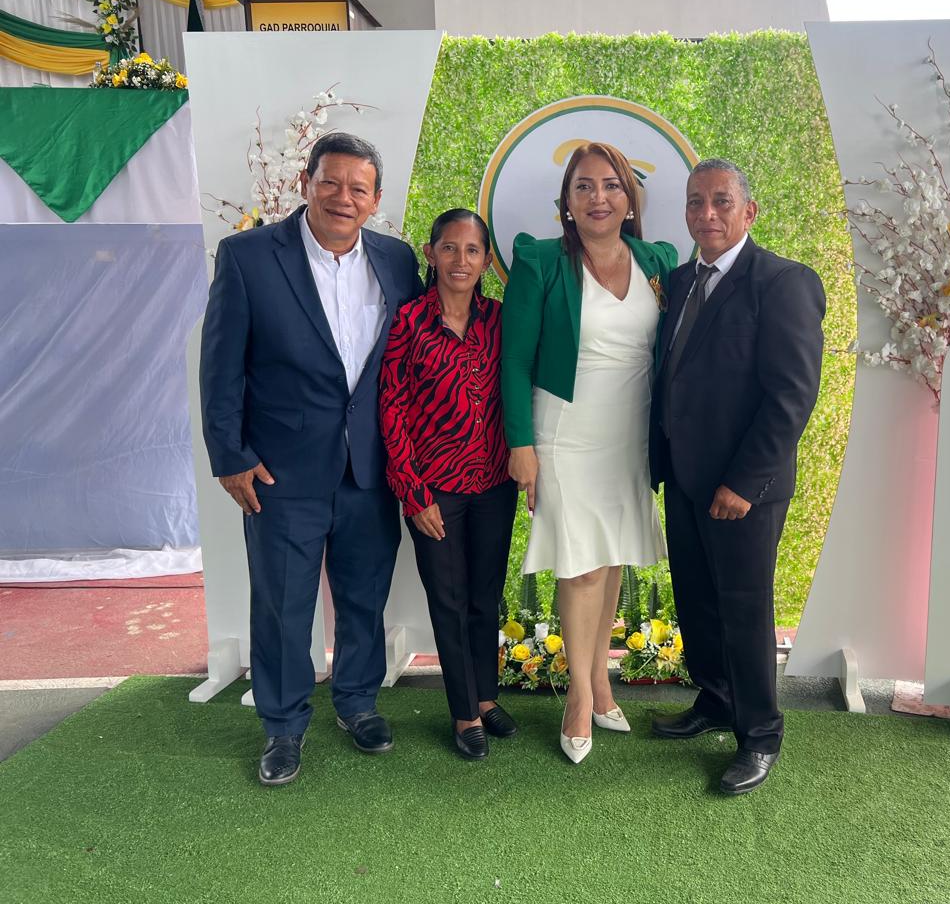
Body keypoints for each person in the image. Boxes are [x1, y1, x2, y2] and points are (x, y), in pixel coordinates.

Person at [200, 132, 423, 786]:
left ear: (375, 200)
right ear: (306, 183)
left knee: (364, 597)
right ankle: (283, 726)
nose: (342, 197)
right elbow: (221, 366)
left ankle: (357, 702)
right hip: (280, 473)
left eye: (359, 188)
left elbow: (407, 365)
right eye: (330, 181)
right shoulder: (248, 257)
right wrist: (230, 456)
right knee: (282, 606)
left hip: (370, 471)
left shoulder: (396, 261)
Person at [649, 158, 825, 795]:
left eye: (721, 201)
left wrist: (744, 483)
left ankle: (760, 735)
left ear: (749, 212)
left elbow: (792, 395)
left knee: (745, 610)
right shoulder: (679, 280)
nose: (707, 214)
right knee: (697, 600)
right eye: (696, 202)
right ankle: (716, 699)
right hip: (685, 479)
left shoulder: (783, 283)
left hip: (743, 490)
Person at [502, 141, 678, 764]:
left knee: (611, 559)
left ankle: (601, 679)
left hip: (631, 434)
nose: (597, 197)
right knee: (579, 566)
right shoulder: (540, 261)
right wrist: (521, 445)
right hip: (565, 434)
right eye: (583, 186)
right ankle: (579, 696)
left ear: (629, 198)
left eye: (610, 185)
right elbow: (514, 360)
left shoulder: (658, 260)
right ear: (567, 202)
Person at [379, 209, 517, 761]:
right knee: (449, 599)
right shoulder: (409, 322)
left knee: (485, 597)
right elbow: (391, 410)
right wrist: (413, 494)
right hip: (434, 491)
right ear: (431, 253)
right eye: (450, 248)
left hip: (494, 484)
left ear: (486, 260)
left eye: (472, 250)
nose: (461, 260)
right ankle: (463, 712)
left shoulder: (500, 320)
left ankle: (486, 697)